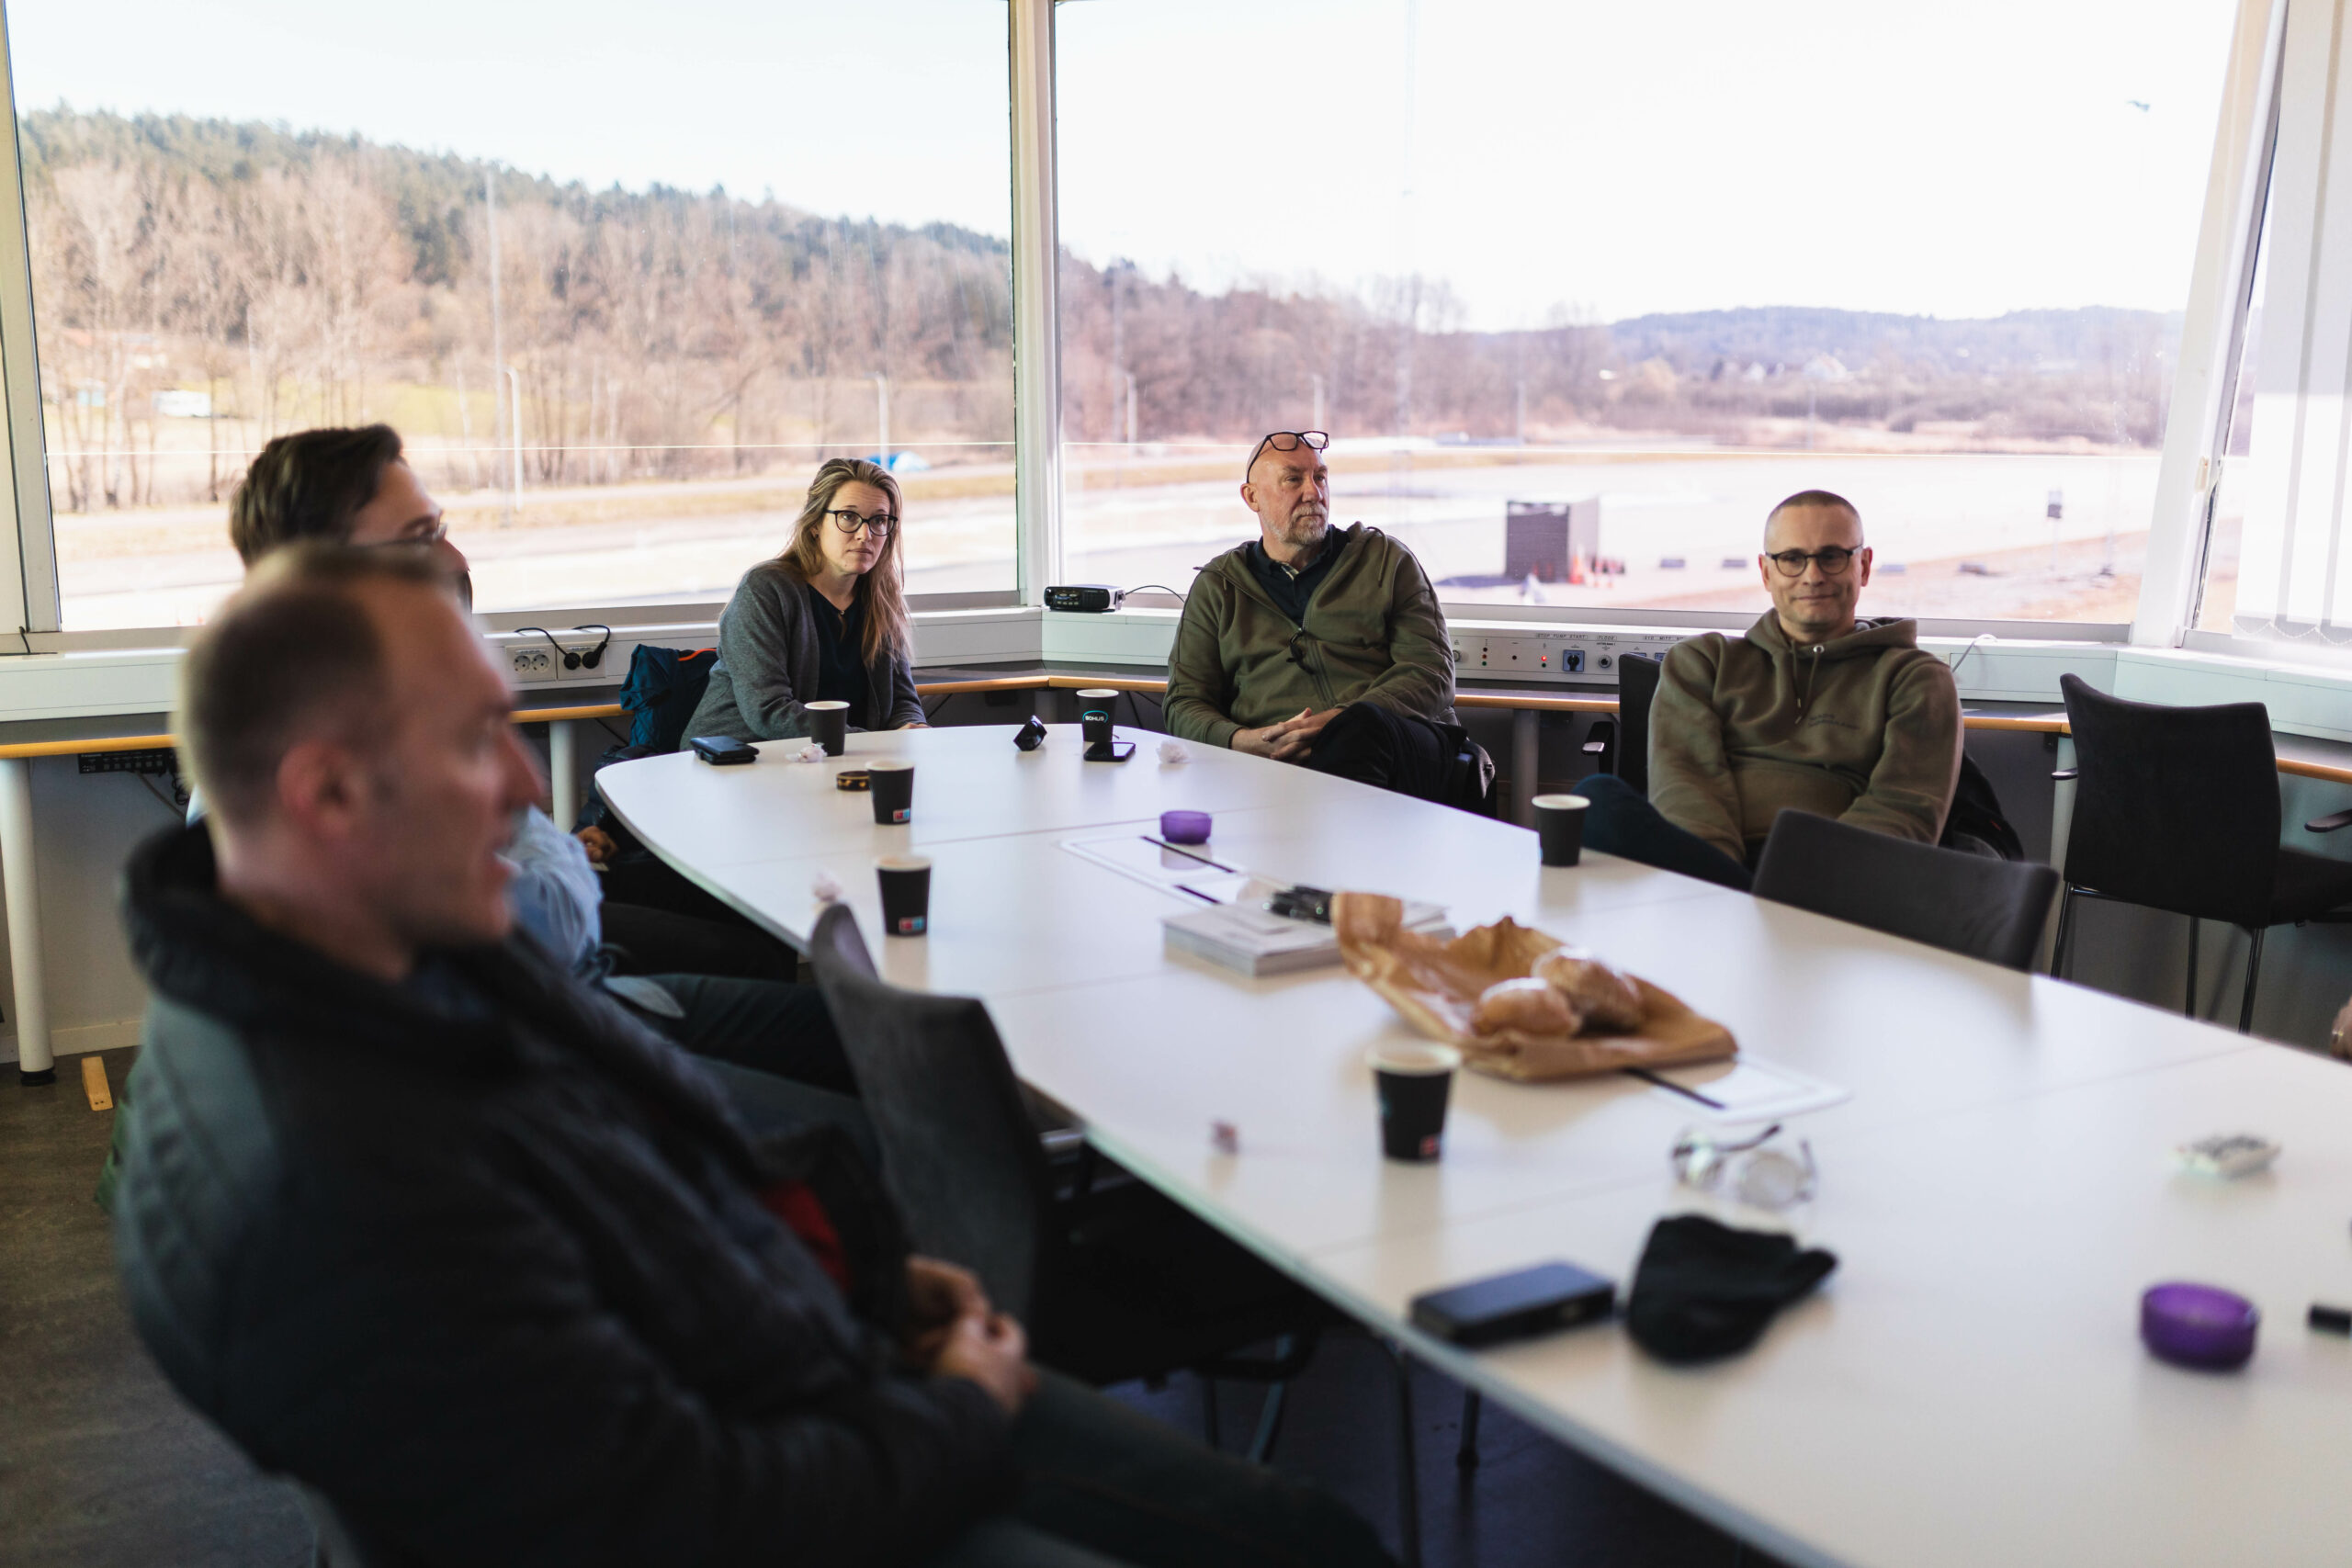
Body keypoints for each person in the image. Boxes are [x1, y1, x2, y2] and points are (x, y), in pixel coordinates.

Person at [113, 543, 1394, 1568]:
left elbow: (643, 1172)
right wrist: (956, 1399)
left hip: (814, 1347)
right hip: (824, 1467)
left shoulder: (373, 950)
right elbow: (691, 1508)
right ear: (326, 793)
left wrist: (869, 1274)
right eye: (472, 739)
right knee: (1310, 1537)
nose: (520, 780)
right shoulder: (328, 1174)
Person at [220, 424, 841, 1087]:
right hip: (545, 1020)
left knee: (770, 964)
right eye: (421, 536)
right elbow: (554, 910)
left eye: (442, 529)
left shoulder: (370, 690)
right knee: (862, 1042)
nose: (453, 556)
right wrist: (561, 854)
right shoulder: (333, 744)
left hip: (547, 983)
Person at [1583, 489, 1962, 890]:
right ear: (1766, 573)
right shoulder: (1703, 662)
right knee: (1596, 800)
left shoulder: (1915, 678)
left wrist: (1788, 882)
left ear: (1864, 567)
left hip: (1831, 882)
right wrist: (1720, 889)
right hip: (1709, 873)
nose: (1812, 576)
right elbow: (1686, 785)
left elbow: (1901, 813)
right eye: (1792, 559)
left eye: (1832, 557)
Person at [1165, 431, 1482, 806]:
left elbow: (1431, 673)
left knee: (1360, 730)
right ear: (1252, 497)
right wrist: (1245, 742)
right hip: (1270, 761)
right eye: (1293, 479)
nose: (1314, 493)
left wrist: (1336, 721)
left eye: (1320, 477)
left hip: (1398, 747)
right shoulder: (1219, 586)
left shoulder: (1386, 561)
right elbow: (1183, 703)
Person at [684, 457, 926, 745]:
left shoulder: (882, 598)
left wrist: (914, 729)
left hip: (835, 757)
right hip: (739, 758)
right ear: (815, 525)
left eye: (879, 520)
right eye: (848, 517)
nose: (866, 534)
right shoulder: (765, 589)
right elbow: (769, 710)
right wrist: (873, 743)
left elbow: (902, 699)